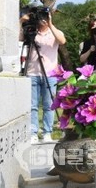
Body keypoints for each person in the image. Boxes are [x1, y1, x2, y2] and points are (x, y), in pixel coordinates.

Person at [19, 8, 67, 144]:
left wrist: (50, 23)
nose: (42, 19)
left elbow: (62, 41)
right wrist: (21, 22)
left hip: (50, 73)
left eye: (44, 16)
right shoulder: (31, 31)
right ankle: (33, 133)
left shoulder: (54, 32)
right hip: (32, 72)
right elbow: (18, 39)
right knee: (32, 106)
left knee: (48, 105)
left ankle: (47, 133)